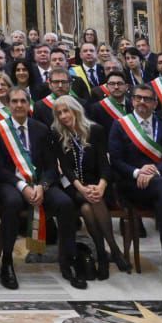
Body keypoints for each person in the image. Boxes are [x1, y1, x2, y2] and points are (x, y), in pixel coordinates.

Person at [0, 86, 74, 290]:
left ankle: (67, 261)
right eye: (14, 101)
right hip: (9, 183)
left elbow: (51, 167)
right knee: (12, 202)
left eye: (22, 101)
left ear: (29, 104)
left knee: (65, 203)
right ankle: (7, 262)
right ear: (8, 104)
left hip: (39, 184)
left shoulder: (41, 129)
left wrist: (42, 186)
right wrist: (22, 186)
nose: (19, 105)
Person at [107, 84, 162, 291]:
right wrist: (138, 172)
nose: (142, 102)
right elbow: (116, 160)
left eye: (147, 99)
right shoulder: (120, 125)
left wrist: (155, 172)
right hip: (132, 186)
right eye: (138, 98)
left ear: (155, 103)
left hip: (160, 186)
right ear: (132, 101)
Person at [51, 94, 127, 283]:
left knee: (88, 207)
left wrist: (101, 185)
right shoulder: (58, 134)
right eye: (59, 113)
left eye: (66, 111)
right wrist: (81, 188)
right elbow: (66, 169)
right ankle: (112, 251)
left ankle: (103, 253)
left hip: (97, 184)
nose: (63, 116)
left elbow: (104, 163)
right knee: (89, 200)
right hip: (73, 187)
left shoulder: (96, 130)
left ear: (75, 110)